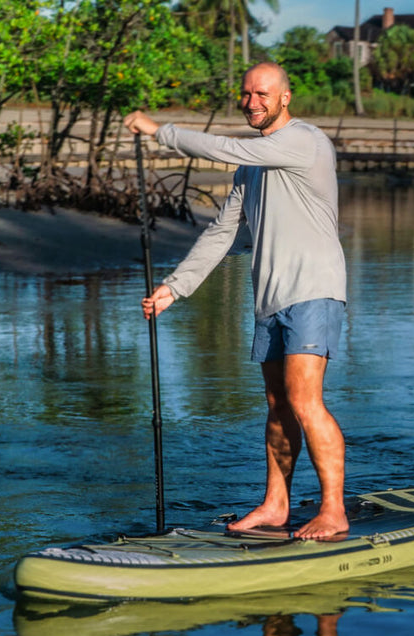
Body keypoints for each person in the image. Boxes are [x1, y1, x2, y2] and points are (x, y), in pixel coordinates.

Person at [123, 62, 349, 540]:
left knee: (306, 400)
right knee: (277, 404)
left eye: (263, 94)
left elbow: (225, 148)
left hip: (314, 289)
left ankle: (333, 511)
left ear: (285, 97)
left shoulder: (303, 140)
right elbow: (223, 231)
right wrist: (175, 287)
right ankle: (275, 504)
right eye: (246, 94)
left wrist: (160, 131)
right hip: (270, 297)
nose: (252, 102)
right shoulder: (253, 166)